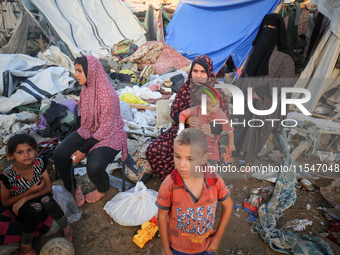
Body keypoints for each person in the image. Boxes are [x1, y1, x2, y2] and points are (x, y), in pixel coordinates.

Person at [53, 55, 128, 206]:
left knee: (93, 167)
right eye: (76, 71)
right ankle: (72, 187)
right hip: (89, 129)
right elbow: (83, 117)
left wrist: (83, 149)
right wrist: (73, 139)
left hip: (110, 134)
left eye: (80, 71)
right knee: (59, 153)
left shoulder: (108, 95)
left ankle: (103, 188)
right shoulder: (86, 89)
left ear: (91, 71)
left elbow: (106, 128)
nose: (77, 75)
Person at [145, 55, 230, 182]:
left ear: (209, 73)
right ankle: (175, 182)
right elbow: (174, 111)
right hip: (182, 131)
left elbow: (224, 121)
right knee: (154, 150)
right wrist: (186, 120)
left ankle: (195, 187)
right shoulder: (186, 88)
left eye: (202, 72)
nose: (198, 75)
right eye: (195, 71)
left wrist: (211, 127)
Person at [156, 128, 233, 255]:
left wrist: (217, 238)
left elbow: (228, 205)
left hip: (206, 246)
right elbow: (162, 215)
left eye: (190, 159)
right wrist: (165, 248)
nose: (182, 164)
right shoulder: (169, 184)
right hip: (178, 248)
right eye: (177, 156)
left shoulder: (215, 181)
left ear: (203, 159)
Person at [233, 13, 295, 166]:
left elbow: (286, 81)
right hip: (247, 96)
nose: (268, 30)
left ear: (279, 31)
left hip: (266, 99)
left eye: (272, 28)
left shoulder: (285, 57)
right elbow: (246, 71)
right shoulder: (256, 48)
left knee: (257, 129)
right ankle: (234, 153)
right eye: (266, 27)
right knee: (241, 124)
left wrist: (262, 91)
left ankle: (250, 159)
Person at [0, 134, 72, 255]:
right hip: (22, 205)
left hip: (39, 195)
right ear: (11, 156)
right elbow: (5, 202)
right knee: (35, 209)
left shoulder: (39, 164)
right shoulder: (7, 177)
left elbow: (48, 188)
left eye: (29, 150)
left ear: (35, 150)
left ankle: (67, 228)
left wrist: (27, 196)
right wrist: (28, 194)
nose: (26, 155)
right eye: (20, 152)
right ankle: (26, 246)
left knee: (47, 201)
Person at [177, 88, 235, 165]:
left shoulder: (219, 113)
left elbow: (229, 128)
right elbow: (182, 114)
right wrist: (181, 127)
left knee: (211, 167)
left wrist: (231, 144)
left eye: (218, 103)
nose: (217, 107)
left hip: (211, 147)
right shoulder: (195, 110)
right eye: (213, 105)